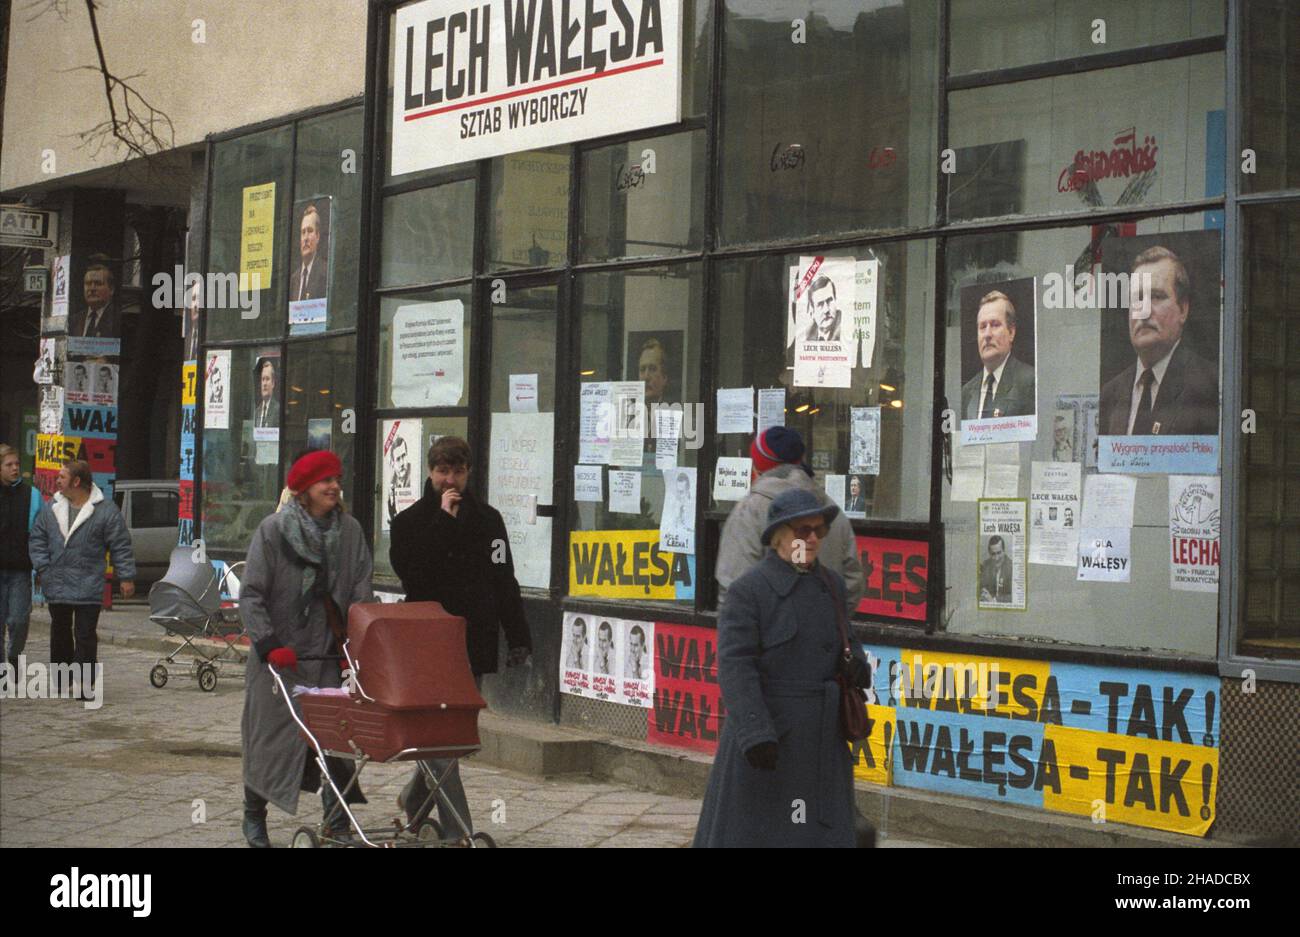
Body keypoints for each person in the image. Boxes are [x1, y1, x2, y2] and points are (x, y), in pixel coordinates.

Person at [693, 488, 872, 848]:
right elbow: (736, 665)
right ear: (778, 537)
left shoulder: (832, 586)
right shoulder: (750, 591)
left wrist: (858, 668)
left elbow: (848, 644)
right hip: (771, 745)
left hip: (822, 743)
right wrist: (756, 732)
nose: (812, 539)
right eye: (801, 531)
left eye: (818, 531)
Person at [389, 436, 532, 837]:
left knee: (457, 736)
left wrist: (518, 635)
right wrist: (444, 522)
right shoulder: (408, 524)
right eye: (442, 471)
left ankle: (417, 798)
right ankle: (458, 833)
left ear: (469, 473)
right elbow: (415, 575)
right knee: (441, 737)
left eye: (458, 471)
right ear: (431, 473)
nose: (450, 479)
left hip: (474, 639)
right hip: (429, 644)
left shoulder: (490, 521)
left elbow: (506, 579)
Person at [239, 449, 374, 848]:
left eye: (336, 479)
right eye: (324, 481)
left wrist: (364, 637)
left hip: (329, 657)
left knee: (336, 740)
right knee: (269, 741)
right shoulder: (272, 531)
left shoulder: (350, 533)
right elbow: (251, 595)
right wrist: (268, 643)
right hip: (280, 661)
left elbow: (362, 590)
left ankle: (337, 821)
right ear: (302, 491)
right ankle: (253, 816)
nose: (334, 486)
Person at [716, 427, 865, 610]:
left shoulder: (749, 511)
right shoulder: (830, 509)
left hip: (771, 636)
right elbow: (852, 581)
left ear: (758, 467)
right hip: (822, 634)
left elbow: (734, 589)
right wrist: (829, 624)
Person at [27, 460, 135, 693]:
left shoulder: (105, 511)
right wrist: (43, 568)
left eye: (62, 477)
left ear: (76, 482)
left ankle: (85, 682)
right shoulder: (51, 508)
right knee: (60, 631)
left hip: (88, 582)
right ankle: (62, 677)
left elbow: (120, 545)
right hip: (57, 581)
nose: (57, 481)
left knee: (85, 633)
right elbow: (37, 539)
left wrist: (126, 577)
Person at [1098, 246, 1218, 436]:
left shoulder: (1212, 386)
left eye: (1157, 296)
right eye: (1137, 299)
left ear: (1183, 309)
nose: (1144, 311)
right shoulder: (1110, 394)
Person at [961, 290, 1035, 420]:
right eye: (982, 327)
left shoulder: (1030, 382)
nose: (987, 334)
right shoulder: (966, 393)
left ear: (1011, 332)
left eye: (995, 325)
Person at [1, 445, 43, 671]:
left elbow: (41, 532)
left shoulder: (32, 495)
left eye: (17, 464)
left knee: (18, 620)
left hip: (20, 570)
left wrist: (41, 567)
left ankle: (14, 653)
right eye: (9, 465)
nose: (15, 468)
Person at [69, 263, 120, 339]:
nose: (92, 288)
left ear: (111, 289)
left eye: (98, 283)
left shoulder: (118, 319)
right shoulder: (74, 320)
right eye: (88, 284)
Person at [290, 204, 328, 302]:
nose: (306, 238)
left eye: (310, 231)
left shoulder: (325, 273)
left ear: (318, 236)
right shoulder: (294, 280)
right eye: (303, 232)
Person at [803, 275, 842, 342]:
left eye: (829, 301)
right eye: (820, 304)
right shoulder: (808, 335)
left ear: (836, 301)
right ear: (812, 312)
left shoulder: (844, 329)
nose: (826, 310)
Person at [385, 434, 412, 526]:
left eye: (404, 456)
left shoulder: (413, 474)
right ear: (392, 463)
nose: (402, 463)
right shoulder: (390, 483)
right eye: (398, 459)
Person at [979, 535, 1012, 603]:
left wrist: (994, 600)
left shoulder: (1012, 567)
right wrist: (983, 592)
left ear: (1004, 551)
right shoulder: (985, 565)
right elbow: (981, 586)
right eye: (993, 554)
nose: (996, 558)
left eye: (999, 553)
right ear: (989, 553)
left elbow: (1015, 596)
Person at [638, 338, 671, 405]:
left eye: (652, 369)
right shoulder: (630, 413)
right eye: (642, 369)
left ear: (664, 377)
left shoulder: (675, 412)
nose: (646, 377)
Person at [253, 358, 278, 428]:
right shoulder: (257, 411)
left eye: (267, 379)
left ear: (273, 383)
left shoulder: (277, 410)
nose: (264, 383)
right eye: (263, 379)